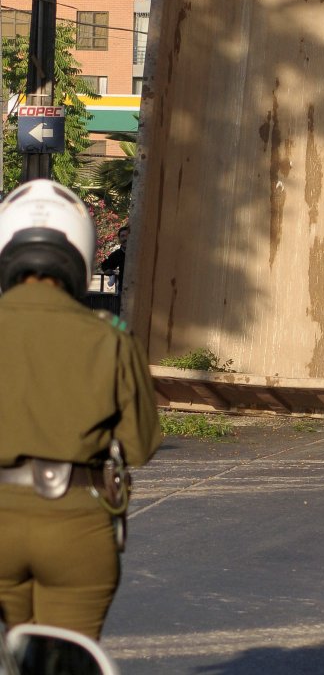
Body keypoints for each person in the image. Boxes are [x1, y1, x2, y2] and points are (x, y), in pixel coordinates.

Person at [0, 180, 161, 639]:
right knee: (65, 656)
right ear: (81, 255)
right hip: (74, 523)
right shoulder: (109, 337)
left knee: (15, 647)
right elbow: (141, 445)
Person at [100, 224, 129, 290]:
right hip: (124, 290)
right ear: (119, 239)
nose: (125, 238)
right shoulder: (117, 254)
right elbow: (105, 265)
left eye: (127, 236)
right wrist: (108, 271)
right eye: (122, 236)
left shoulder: (140, 252)